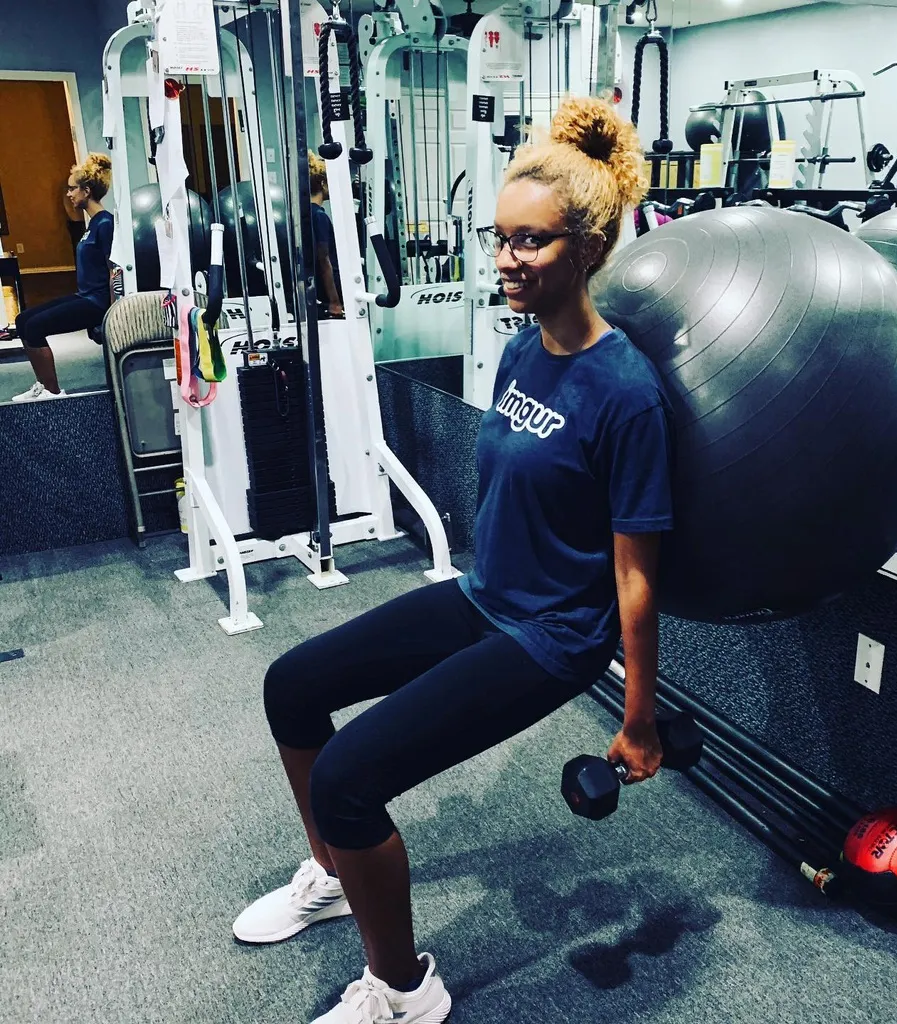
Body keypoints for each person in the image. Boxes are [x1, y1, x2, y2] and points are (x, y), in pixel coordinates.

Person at [233, 96, 675, 1024]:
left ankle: (404, 991)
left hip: (553, 636)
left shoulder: (627, 394)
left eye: (531, 241)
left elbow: (636, 574)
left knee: (350, 779)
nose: (507, 259)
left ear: (590, 249)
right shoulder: (520, 353)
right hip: (484, 598)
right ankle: (333, 872)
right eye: (499, 238)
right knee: (292, 685)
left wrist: (639, 719)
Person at [3, 153, 114, 402]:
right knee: (23, 320)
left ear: (86, 191)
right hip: (84, 296)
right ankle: (42, 385)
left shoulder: (105, 223)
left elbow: (113, 270)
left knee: (34, 327)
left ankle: (52, 393)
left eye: (72, 188)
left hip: (97, 303)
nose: (69, 194)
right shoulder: (92, 224)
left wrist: (113, 312)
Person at [309, 150, 344, 318]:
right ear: (323, 184)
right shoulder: (319, 216)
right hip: (330, 292)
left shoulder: (305, 214)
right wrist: (335, 301)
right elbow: (324, 260)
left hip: (317, 290)